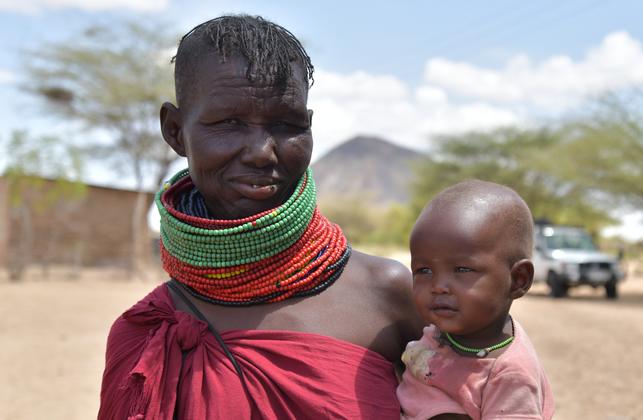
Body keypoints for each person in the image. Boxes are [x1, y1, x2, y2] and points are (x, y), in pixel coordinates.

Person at [97, 14, 422, 420]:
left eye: (287, 125)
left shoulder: (391, 295)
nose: (261, 152)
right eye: (229, 122)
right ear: (176, 131)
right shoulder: (146, 332)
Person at [397, 180, 554, 420]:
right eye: (424, 271)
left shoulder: (509, 375)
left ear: (518, 280)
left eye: (462, 269)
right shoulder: (441, 333)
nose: (438, 286)